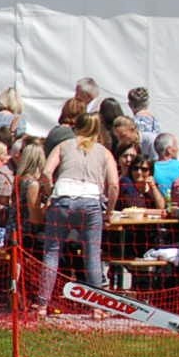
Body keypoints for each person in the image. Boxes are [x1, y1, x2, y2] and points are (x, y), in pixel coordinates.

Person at [38, 114, 118, 305]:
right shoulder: (104, 152)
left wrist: (50, 193)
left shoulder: (63, 146)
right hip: (90, 201)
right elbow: (114, 185)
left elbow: (46, 173)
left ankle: (42, 304)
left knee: (52, 252)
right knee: (92, 255)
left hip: (63, 198)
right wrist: (108, 212)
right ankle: (97, 307)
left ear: (76, 127)